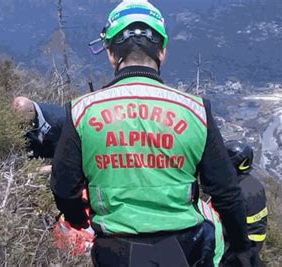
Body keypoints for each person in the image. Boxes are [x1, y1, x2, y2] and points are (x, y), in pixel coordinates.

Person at [51, 1, 252, 266]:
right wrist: (240, 248)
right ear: (163, 52)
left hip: (115, 250)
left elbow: (64, 187)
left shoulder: (81, 111)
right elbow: (226, 192)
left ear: (111, 53)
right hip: (185, 248)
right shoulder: (196, 110)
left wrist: (79, 219)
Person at [225, 140, 268, 267]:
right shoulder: (255, 184)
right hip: (255, 241)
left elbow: (230, 223)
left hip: (242, 244)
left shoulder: (236, 190)